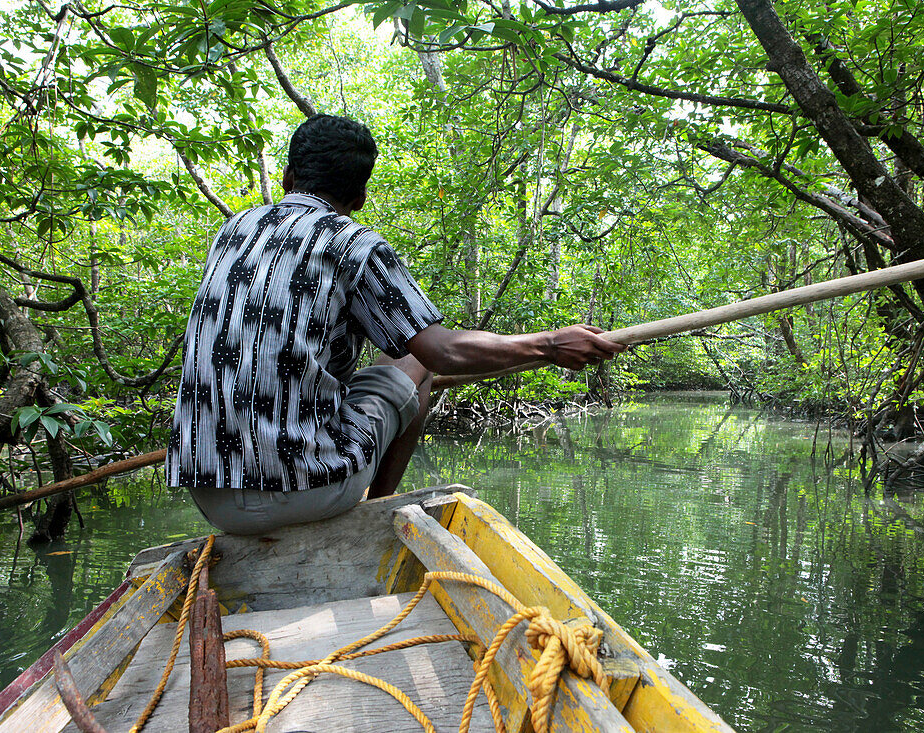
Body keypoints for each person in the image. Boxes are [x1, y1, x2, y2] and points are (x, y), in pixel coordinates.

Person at [167, 114, 625, 534]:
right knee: (417, 362)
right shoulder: (352, 243)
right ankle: (376, 511)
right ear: (359, 198)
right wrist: (549, 345)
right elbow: (442, 351)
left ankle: (355, 497)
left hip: (209, 494)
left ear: (288, 178)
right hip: (303, 491)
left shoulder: (234, 230)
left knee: (385, 361)